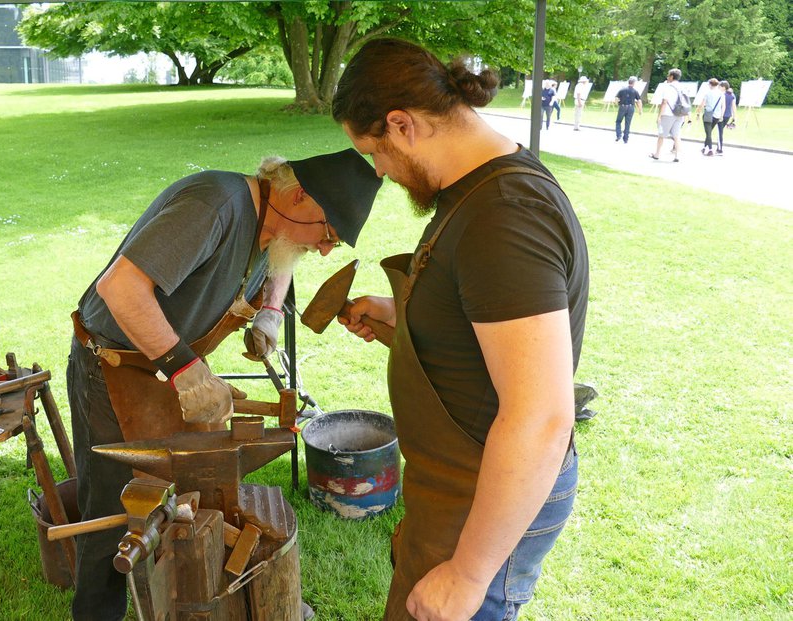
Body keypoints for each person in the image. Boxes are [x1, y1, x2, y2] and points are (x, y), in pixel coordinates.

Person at [332, 38, 588, 621]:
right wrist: (410, 317)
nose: (379, 171)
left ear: (402, 125)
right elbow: (488, 318)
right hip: (459, 483)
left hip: (487, 492)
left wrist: (470, 576)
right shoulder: (473, 191)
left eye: (375, 151)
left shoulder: (504, 215)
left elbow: (541, 416)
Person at [67, 150, 381, 621]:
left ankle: (177, 602)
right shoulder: (215, 205)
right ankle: (97, 614)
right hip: (112, 370)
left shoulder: (275, 220)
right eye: (328, 233)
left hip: (163, 372)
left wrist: (271, 311)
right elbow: (122, 288)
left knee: (183, 502)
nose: (324, 250)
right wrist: (187, 371)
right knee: (112, 516)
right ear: (298, 196)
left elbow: (284, 257)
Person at [650, 68, 686, 162]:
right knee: (676, 135)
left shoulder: (668, 87)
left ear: (671, 76)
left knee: (661, 135)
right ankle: (677, 155)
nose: (667, 77)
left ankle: (657, 154)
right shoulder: (682, 87)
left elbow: (664, 102)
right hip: (680, 114)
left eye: (668, 75)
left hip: (668, 113)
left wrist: (659, 116)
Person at [696, 78, 724, 156]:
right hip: (717, 115)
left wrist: (698, 113)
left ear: (711, 85)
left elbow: (702, 104)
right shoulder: (721, 94)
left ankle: (710, 150)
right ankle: (704, 147)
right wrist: (721, 115)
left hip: (708, 115)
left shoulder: (708, 93)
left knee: (708, 133)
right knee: (709, 132)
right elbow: (723, 105)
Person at [614, 76, 643, 144]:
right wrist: (640, 110)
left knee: (618, 121)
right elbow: (639, 101)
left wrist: (617, 104)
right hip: (631, 108)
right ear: (634, 83)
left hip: (622, 107)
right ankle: (626, 139)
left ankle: (619, 135)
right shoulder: (635, 91)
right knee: (628, 123)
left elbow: (616, 98)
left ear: (628, 82)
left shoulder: (622, 90)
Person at [716, 80, 737, 155]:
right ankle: (719, 147)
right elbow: (734, 107)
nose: (718, 87)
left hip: (720, 115)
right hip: (728, 115)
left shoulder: (721, 94)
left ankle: (719, 148)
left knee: (719, 132)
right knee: (720, 131)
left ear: (723, 87)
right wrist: (734, 117)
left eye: (720, 86)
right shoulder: (732, 95)